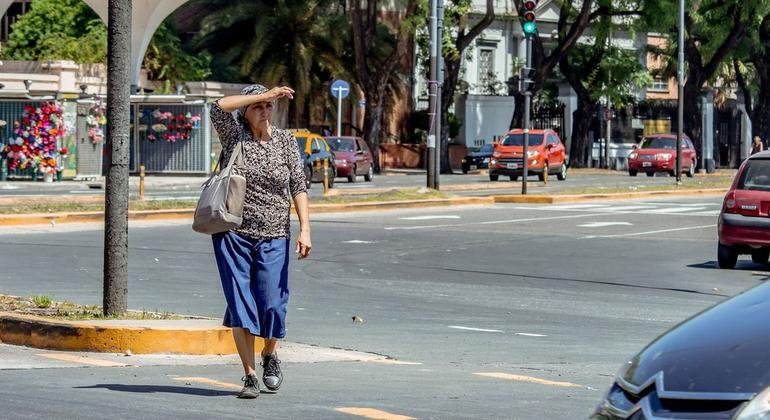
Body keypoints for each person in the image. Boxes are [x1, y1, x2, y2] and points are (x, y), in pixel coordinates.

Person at [209, 84, 311, 399]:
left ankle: (270, 353)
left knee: (273, 305)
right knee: (241, 302)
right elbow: (217, 106)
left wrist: (305, 228)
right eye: (258, 106)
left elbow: (298, 185)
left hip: (275, 233)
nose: (265, 111)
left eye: (269, 106)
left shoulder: (285, 141)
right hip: (233, 232)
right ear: (246, 111)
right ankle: (250, 374)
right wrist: (262, 94)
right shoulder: (235, 137)